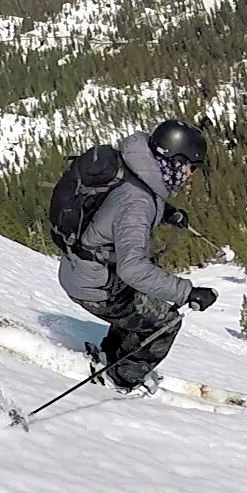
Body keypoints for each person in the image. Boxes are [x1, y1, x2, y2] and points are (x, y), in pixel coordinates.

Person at [57, 119, 218, 392]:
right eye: (191, 166)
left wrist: (167, 212)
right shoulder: (137, 203)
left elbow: (116, 208)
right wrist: (187, 292)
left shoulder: (135, 169)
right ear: (175, 161)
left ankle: (111, 355)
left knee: (144, 302)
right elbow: (132, 269)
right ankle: (122, 379)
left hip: (84, 267)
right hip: (93, 283)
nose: (191, 173)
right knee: (165, 323)